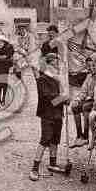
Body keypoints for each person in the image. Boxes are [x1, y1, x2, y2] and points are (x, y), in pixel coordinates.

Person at [29, 53, 67, 181]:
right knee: (45, 139)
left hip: (58, 113)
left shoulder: (58, 79)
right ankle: (35, 168)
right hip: (47, 113)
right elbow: (48, 98)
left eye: (57, 65)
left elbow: (61, 95)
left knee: (55, 139)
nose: (56, 67)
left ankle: (52, 163)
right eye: (54, 64)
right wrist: (63, 99)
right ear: (48, 65)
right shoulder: (42, 79)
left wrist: (65, 99)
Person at [69, 56, 96, 148]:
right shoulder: (89, 76)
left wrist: (90, 98)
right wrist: (77, 100)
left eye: (93, 66)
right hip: (89, 100)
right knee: (75, 107)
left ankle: (86, 136)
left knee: (85, 106)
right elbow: (83, 91)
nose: (91, 68)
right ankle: (79, 136)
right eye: (89, 66)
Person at [0, 35, 14, 106]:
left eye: (1, 43)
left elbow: (10, 55)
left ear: (4, 43)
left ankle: (3, 99)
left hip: (5, 68)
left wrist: (6, 56)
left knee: (4, 84)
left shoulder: (8, 48)